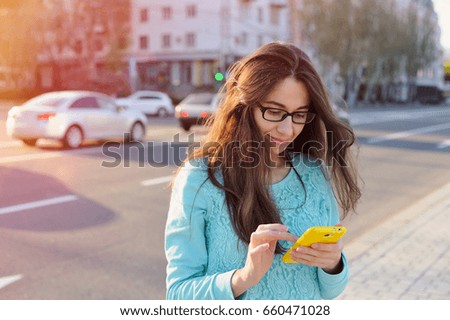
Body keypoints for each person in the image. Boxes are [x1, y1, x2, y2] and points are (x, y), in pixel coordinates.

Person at [164, 42, 361, 300]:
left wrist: (333, 263)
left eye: (299, 115)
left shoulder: (313, 172)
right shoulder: (200, 177)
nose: (288, 130)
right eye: (275, 112)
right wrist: (243, 278)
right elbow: (178, 295)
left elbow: (331, 290)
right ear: (244, 106)